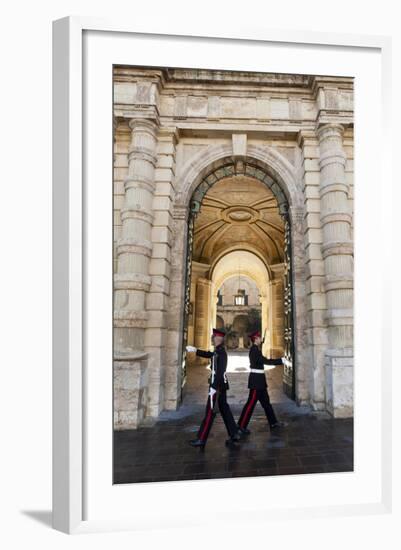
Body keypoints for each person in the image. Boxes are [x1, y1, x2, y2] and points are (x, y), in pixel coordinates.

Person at [186, 328, 241, 448]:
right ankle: (234, 433)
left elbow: (220, 372)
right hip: (221, 385)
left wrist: (214, 388)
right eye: (215, 337)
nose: (215, 338)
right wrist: (196, 350)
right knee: (225, 410)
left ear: (219, 339)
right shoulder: (218, 350)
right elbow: (210, 355)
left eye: (216, 337)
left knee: (210, 413)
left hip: (218, 386)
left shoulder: (221, 352)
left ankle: (201, 439)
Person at [237, 330, 290, 434]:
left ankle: (273, 422)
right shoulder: (254, 350)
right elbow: (265, 361)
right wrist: (280, 361)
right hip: (256, 382)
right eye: (259, 337)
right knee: (250, 404)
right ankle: (241, 426)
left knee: (266, 404)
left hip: (260, 382)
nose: (261, 339)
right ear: (256, 339)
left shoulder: (256, 349)